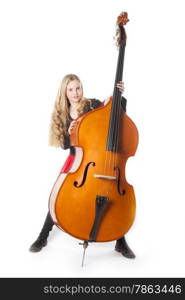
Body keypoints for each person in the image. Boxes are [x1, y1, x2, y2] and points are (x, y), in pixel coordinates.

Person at [29, 74, 135, 259]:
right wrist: (70, 135)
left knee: (112, 195)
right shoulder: (61, 115)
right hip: (77, 160)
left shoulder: (92, 105)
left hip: (101, 160)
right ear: (65, 92)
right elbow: (63, 145)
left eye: (78, 88)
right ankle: (42, 236)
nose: (75, 93)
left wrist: (117, 96)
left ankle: (120, 240)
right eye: (70, 89)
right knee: (62, 196)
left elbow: (114, 117)